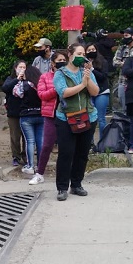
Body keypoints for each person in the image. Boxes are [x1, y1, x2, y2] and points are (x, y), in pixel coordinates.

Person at [53, 44, 99, 201]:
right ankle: (62, 187)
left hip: (88, 117)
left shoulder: (86, 71)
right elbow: (64, 92)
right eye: (78, 53)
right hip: (66, 118)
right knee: (66, 153)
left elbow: (95, 92)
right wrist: (82, 85)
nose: (82, 56)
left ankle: (77, 184)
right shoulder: (60, 73)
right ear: (70, 55)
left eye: (83, 53)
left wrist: (87, 78)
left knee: (82, 153)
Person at [31, 50, 69, 185]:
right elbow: (41, 95)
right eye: (58, 61)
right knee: (47, 145)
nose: (61, 63)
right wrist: (56, 89)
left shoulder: (70, 76)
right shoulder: (45, 77)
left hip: (68, 115)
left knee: (66, 147)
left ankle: (66, 175)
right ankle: (39, 173)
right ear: (52, 63)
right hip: (51, 116)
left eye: (64, 60)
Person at [18, 63, 44, 175]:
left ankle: (30, 166)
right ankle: (41, 165)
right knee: (40, 141)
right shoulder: (41, 85)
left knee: (30, 141)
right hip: (40, 114)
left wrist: (19, 79)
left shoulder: (23, 84)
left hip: (26, 116)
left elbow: (16, 93)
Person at [1, 60, 27, 168]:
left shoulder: (28, 80)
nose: (22, 69)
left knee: (26, 137)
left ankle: (26, 156)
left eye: (24, 67)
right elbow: (5, 88)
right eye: (20, 67)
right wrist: (17, 79)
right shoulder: (10, 79)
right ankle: (16, 156)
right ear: (15, 68)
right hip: (13, 112)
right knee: (15, 136)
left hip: (26, 112)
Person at [86, 43, 110, 135]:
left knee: (101, 118)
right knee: (89, 118)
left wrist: (92, 69)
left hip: (102, 91)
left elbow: (103, 76)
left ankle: (102, 142)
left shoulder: (102, 61)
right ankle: (89, 143)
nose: (91, 51)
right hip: (88, 93)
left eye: (93, 49)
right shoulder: (83, 62)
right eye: (89, 50)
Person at [113, 27, 133, 114]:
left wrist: (125, 63)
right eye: (124, 36)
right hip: (123, 81)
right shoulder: (122, 48)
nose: (124, 37)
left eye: (126, 35)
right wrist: (127, 64)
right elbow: (115, 62)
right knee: (124, 107)